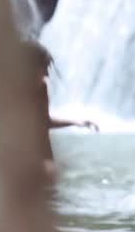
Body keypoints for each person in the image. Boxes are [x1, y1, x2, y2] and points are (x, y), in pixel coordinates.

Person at [22, 41, 99, 178]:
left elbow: (43, 123)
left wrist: (77, 122)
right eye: (44, 67)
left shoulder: (41, 89)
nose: (47, 74)